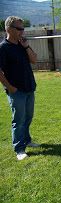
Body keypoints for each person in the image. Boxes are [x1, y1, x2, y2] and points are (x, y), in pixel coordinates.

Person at [0, 16, 40, 161]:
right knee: (18, 120)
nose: (23, 31)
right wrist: (10, 87)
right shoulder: (3, 48)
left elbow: (34, 60)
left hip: (29, 87)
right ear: (9, 29)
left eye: (23, 28)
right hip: (16, 91)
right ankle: (19, 149)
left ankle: (27, 140)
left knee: (28, 117)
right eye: (20, 29)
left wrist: (27, 46)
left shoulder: (22, 45)